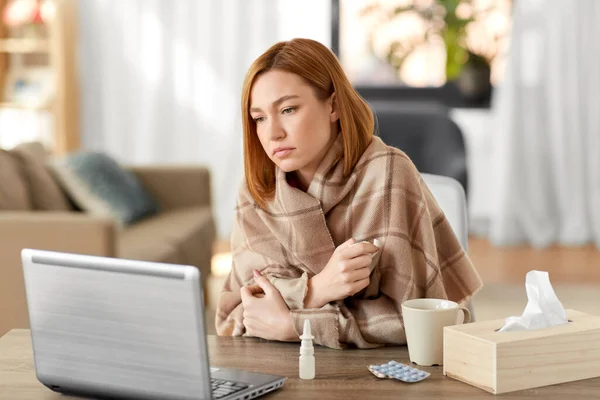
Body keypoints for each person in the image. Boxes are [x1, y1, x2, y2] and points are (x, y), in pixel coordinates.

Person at [215, 38, 482, 349]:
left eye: (288, 109)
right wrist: (316, 290)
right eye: (259, 118)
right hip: (280, 369)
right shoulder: (256, 190)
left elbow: (421, 319)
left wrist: (297, 324)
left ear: (333, 106)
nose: (273, 133)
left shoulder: (387, 173)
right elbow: (236, 312)